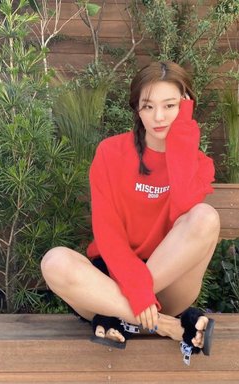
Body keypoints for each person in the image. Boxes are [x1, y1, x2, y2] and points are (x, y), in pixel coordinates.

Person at [41, 61, 220, 365]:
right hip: (111, 277)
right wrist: (136, 293)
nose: (158, 117)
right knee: (54, 261)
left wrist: (183, 136)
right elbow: (107, 233)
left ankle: (119, 317)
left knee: (206, 217)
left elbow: (183, 206)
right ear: (137, 109)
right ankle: (166, 326)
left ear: (186, 106)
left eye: (170, 105)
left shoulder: (199, 164)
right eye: (148, 106)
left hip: (167, 285)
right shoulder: (110, 152)